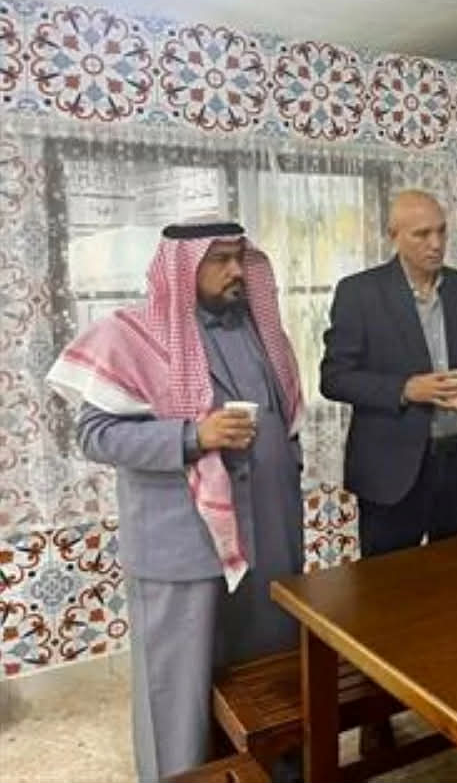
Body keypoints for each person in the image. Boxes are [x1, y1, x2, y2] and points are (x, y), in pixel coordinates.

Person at [46, 222, 305, 783]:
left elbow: (284, 419)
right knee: (178, 698)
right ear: (183, 267)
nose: (235, 271)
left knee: (271, 683)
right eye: (219, 260)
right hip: (181, 548)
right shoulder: (132, 335)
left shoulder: (261, 332)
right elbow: (96, 435)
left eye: (239, 258)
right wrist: (192, 436)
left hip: (268, 540)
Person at [320, 189, 457, 558]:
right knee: (387, 583)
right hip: (390, 468)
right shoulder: (359, 293)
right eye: (421, 234)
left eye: (441, 231)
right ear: (393, 235)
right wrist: (405, 389)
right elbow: (334, 378)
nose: (436, 244)